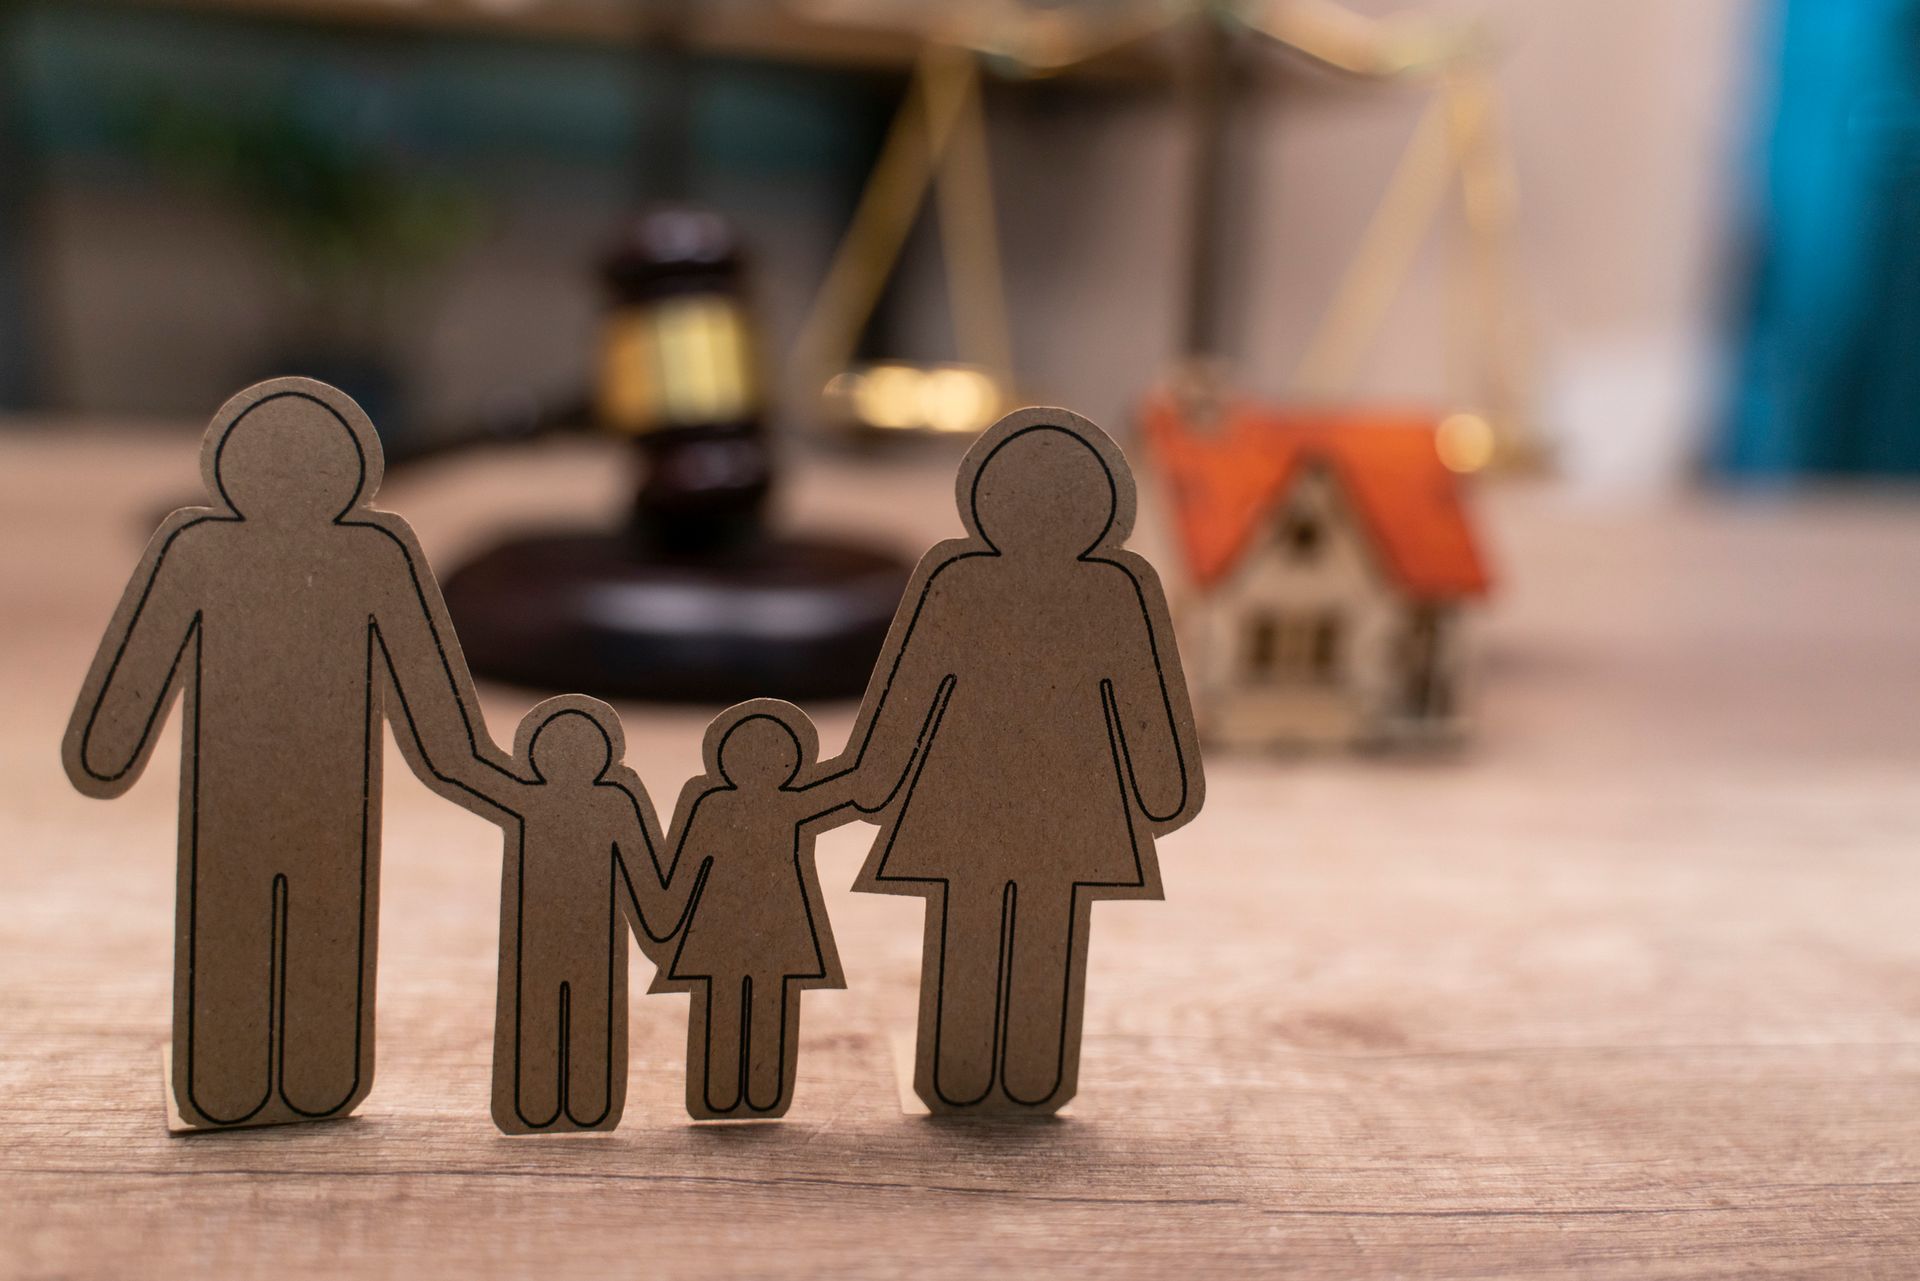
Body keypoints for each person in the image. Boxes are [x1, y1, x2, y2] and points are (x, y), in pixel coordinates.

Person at [63, 378, 508, 1129]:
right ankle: (257, 1074)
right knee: (245, 919)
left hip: (325, 794)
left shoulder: (365, 553)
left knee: (312, 920)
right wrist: (472, 768)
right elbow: (143, 660)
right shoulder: (206, 546)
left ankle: (287, 1074)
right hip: (246, 789)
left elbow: (423, 678)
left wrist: (470, 768)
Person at [835, 408, 1205, 1115]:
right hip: (1005, 800)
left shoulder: (1110, 591)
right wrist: (1162, 791)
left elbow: (1141, 695)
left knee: (1030, 924)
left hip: (1042, 801)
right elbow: (917, 682)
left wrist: (876, 780)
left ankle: (1015, 1070)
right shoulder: (965, 580)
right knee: (996, 922)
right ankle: (982, 1069)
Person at [444, 695, 677, 1133]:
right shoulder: (525, 797)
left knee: (592, 1013)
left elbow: (643, 869)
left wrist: (663, 933)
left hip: (597, 939)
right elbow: (462, 769)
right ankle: (535, 1100)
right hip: (535, 937)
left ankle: (586, 1101)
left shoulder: (614, 802)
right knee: (536, 1012)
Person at [651, 700, 857, 1119]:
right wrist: (663, 926)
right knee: (724, 1003)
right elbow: (684, 868)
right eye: (751, 753)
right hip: (720, 928)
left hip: (780, 928)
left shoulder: (794, 802)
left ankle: (761, 1090)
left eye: (774, 755)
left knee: (769, 1005)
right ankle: (721, 1091)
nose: (763, 765)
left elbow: (857, 788)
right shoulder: (710, 803)